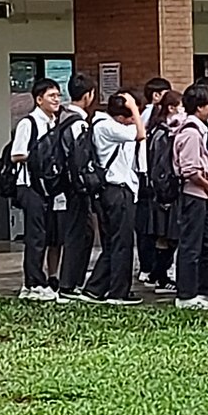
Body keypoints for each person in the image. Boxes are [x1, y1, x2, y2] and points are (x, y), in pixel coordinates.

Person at [82, 89, 145, 304]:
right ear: (121, 116)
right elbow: (140, 134)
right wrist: (135, 108)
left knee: (113, 243)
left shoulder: (102, 125)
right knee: (122, 243)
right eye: (129, 117)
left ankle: (95, 288)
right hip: (117, 190)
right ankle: (119, 292)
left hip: (110, 191)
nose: (132, 121)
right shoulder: (108, 127)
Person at [7, 78, 62, 300]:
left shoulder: (55, 122)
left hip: (49, 187)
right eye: (51, 96)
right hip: (30, 186)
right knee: (36, 236)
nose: (56, 100)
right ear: (39, 100)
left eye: (58, 95)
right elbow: (16, 154)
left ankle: (43, 280)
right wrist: (40, 157)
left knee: (48, 234)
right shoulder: (28, 123)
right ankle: (33, 283)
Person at [172, 81, 208, 309]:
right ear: (200, 107)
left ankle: (207, 290)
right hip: (194, 195)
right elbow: (190, 170)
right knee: (191, 245)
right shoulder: (191, 133)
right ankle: (186, 295)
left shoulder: (198, 129)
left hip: (202, 195)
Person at [53, 74, 102, 301]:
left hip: (65, 184)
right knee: (80, 233)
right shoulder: (78, 123)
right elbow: (80, 159)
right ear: (89, 95)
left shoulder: (61, 117)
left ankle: (71, 281)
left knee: (80, 232)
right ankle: (69, 284)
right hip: (77, 187)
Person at [141, 88, 182, 291]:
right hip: (164, 193)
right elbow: (161, 166)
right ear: (172, 108)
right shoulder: (164, 134)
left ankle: (158, 274)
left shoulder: (155, 130)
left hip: (157, 191)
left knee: (162, 236)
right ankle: (161, 275)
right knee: (167, 235)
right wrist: (166, 192)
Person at [134, 76, 173, 288]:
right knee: (151, 227)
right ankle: (150, 269)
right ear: (157, 96)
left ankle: (149, 268)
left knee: (150, 228)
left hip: (146, 178)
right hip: (151, 180)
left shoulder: (146, 116)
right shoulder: (152, 117)